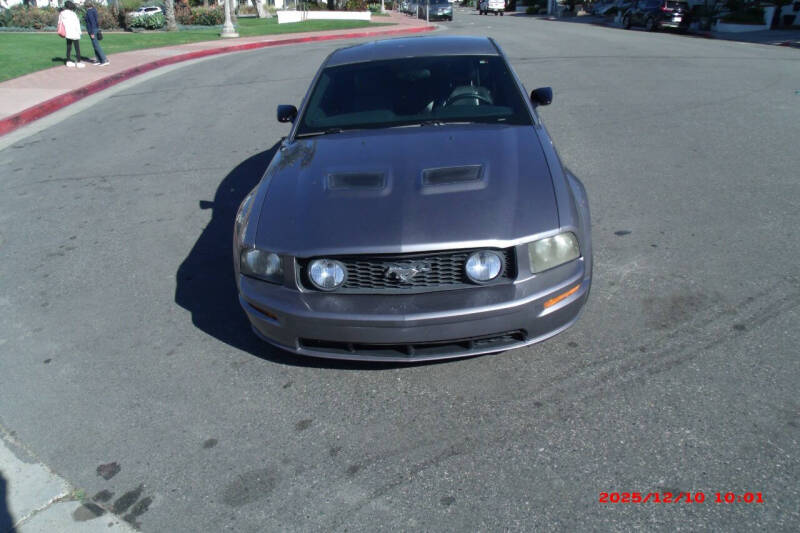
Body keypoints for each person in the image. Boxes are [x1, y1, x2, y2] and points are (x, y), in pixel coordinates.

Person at [58, 1, 84, 68]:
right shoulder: (73, 14)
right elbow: (77, 24)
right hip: (74, 32)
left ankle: (68, 61)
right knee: (77, 48)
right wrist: (80, 32)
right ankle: (78, 62)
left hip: (68, 32)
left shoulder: (62, 13)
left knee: (69, 47)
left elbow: (59, 22)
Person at [84, 1, 109, 66]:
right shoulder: (94, 10)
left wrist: (92, 32)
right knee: (95, 45)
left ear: (86, 6)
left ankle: (104, 60)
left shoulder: (89, 12)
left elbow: (92, 22)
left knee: (96, 45)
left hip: (92, 30)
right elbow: (96, 21)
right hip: (95, 29)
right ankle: (99, 60)